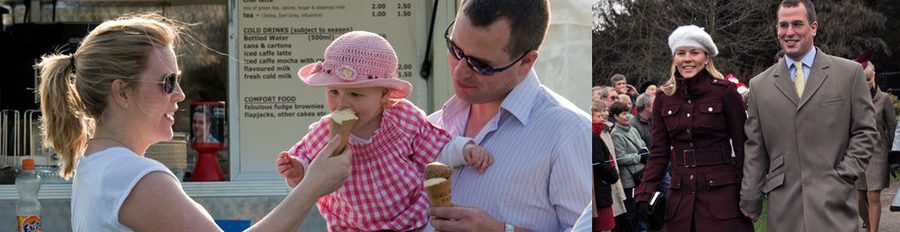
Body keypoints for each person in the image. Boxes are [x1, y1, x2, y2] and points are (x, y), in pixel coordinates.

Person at [36, 14, 353, 231]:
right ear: (122, 93)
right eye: (167, 82)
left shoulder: (95, 164)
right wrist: (312, 186)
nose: (179, 94)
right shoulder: (133, 175)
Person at [277, 31, 492, 231]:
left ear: (383, 95)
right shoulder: (327, 131)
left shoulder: (402, 119)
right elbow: (308, 165)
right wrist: (297, 170)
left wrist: (465, 149)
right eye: (334, 92)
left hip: (410, 217)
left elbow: (437, 152)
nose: (342, 103)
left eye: (355, 94)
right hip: (352, 224)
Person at [425, 0, 591, 231]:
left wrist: (504, 230)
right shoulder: (429, 126)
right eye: (455, 49)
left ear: (526, 62)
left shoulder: (569, 132)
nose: (459, 70)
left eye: (480, 65)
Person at [740, 1, 878, 231]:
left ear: (813, 27)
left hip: (834, 206)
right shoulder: (759, 86)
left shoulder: (849, 74)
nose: (789, 32)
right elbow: (755, 148)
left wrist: (844, 175)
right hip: (784, 208)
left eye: (797, 24)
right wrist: (750, 197)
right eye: (783, 25)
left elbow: (866, 131)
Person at [634, 25, 753, 232]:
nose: (687, 59)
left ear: (706, 57)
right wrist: (645, 191)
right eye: (681, 53)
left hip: (722, 197)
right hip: (681, 199)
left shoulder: (725, 93)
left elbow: (743, 146)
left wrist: (750, 191)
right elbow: (659, 152)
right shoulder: (663, 98)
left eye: (694, 52)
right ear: (674, 58)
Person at [854, 57, 894, 232]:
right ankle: (870, 225)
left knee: (873, 194)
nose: (866, 83)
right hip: (858, 153)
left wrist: (895, 157)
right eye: (862, 80)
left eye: (869, 79)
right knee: (858, 198)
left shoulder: (884, 99)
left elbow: (892, 129)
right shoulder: (853, 100)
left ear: (874, 76)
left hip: (878, 153)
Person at [609, 102, 647, 231]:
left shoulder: (633, 129)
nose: (627, 116)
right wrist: (639, 157)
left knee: (642, 205)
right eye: (623, 114)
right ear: (616, 116)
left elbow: (642, 145)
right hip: (629, 178)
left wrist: (644, 153)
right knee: (631, 209)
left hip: (641, 172)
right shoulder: (615, 134)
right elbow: (620, 157)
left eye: (628, 113)